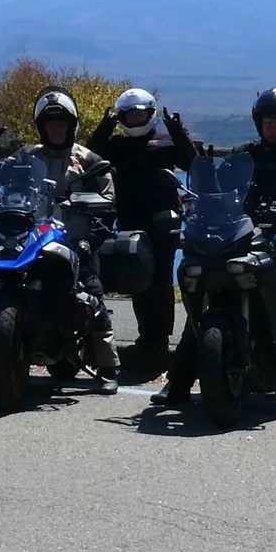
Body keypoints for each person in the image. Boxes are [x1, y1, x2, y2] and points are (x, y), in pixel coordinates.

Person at [152, 87, 276, 408]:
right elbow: (216, 184)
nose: (272, 128)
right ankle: (178, 382)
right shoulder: (243, 153)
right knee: (205, 289)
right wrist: (199, 199)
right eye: (267, 122)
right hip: (242, 229)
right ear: (258, 123)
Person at [0, 87, 121, 384]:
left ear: (71, 126)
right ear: (42, 127)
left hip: (75, 241)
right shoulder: (25, 156)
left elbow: (109, 206)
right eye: (51, 124)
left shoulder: (89, 160)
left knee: (91, 296)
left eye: (61, 124)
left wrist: (90, 240)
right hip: (33, 236)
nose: (56, 129)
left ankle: (108, 367)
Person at [87, 88, 196, 384]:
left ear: (150, 114)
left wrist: (180, 132)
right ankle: (145, 339)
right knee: (137, 279)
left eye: (139, 114)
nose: (135, 119)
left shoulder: (165, 141)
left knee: (160, 280)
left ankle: (158, 342)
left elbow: (190, 161)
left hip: (162, 218)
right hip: (130, 217)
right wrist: (103, 128)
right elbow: (90, 157)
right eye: (129, 115)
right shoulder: (117, 144)